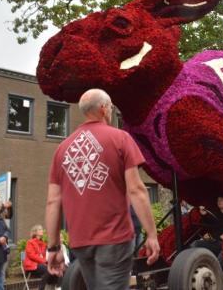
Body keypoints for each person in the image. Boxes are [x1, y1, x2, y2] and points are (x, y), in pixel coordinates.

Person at [45, 89, 160, 290]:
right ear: (103, 108)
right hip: (114, 238)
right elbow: (136, 190)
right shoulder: (121, 138)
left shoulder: (61, 150)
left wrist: (53, 247)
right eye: (111, 107)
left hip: (80, 242)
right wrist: (152, 234)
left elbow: (53, 201)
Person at [192, 196, 223, 262]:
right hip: (216, 243)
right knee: (195, 243)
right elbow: (207, 223)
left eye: (221, 199)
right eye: (218, 200)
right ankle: (190, 267)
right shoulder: (214, 215)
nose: (219, 201)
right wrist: (204, 215)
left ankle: (215, 269)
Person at [24, 225, 59, 290]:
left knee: (55, 269)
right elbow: (32, 255)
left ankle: (52, 288)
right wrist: (44, 261)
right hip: (31, 265)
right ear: (35, 232)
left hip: (41, 265)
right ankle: (41, 288)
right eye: (40, 229)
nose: (42, 231)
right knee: (48, 269)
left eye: (42, 229)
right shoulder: (30, 242)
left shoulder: (43, 244)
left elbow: (45, 255)